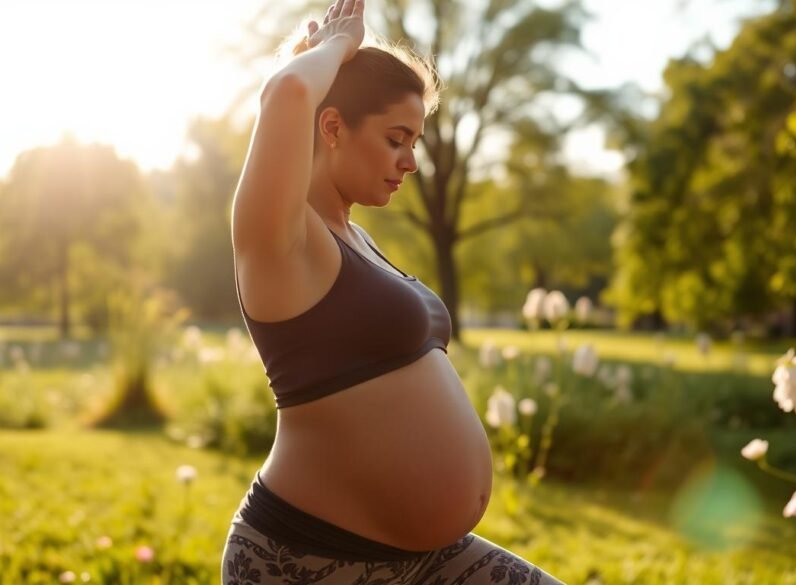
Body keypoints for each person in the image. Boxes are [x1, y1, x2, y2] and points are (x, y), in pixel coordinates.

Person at [221, 0, 564, 582]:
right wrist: (334, 48)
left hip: (425, 559)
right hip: (308, 560)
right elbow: (284, 95)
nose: (410, 162)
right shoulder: (283, 242)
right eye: (396, 139)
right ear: (332, 127)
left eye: (415, 142)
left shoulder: (358, 239)